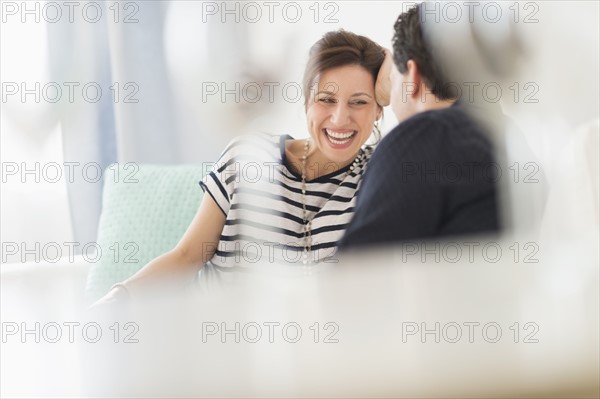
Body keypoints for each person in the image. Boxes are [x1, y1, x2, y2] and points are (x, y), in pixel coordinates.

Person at [93, 30, 385, 305]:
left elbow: (428, 113)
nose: (339, 118)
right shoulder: (249, 156)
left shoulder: (381, 171)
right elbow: (187, 255)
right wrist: (117, 299)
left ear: (379, 109)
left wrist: (389, 73)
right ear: (307, 101)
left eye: (359, 102)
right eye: (326, 99)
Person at [339, 4, 499, 249]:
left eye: (394, 78)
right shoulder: (502, 134)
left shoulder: (425, 135)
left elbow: (353, 273)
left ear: (412, 75)